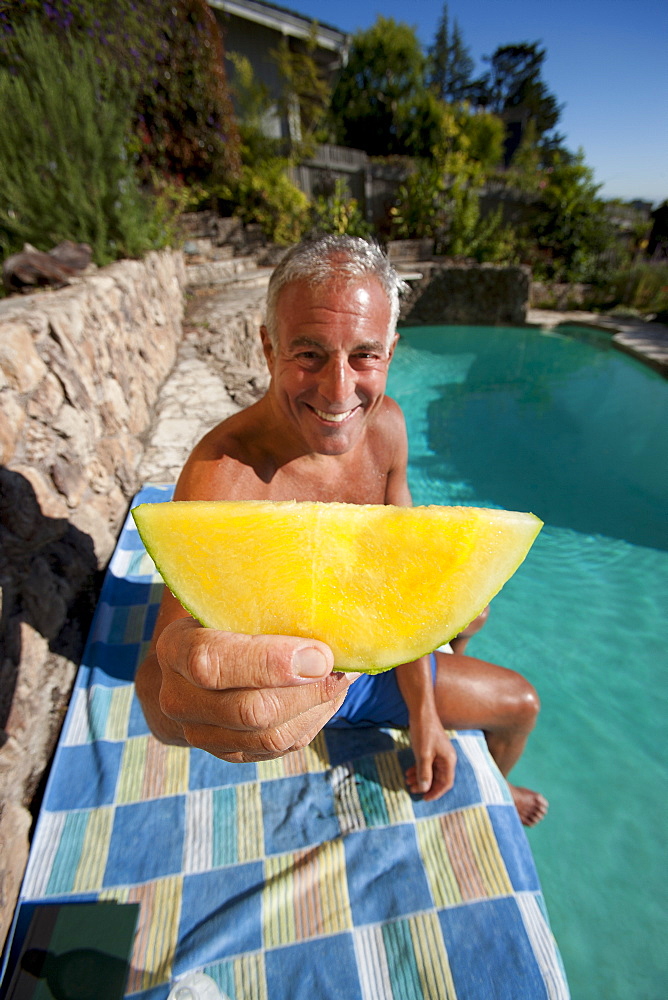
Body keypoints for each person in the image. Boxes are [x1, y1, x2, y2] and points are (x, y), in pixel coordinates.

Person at [135, 234, 548, 827]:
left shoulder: (387, 430)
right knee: (503, 686)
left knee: (491, 648)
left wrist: (425, 712)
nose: (337, 390)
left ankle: (492, 784)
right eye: (308, 354)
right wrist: (179, 696)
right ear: (266, 345)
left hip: (378, 652)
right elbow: (162, 681)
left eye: (364, 355)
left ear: (392, 351)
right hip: (297, 679)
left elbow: (398, 585)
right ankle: (451, 746)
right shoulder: (221, 475)